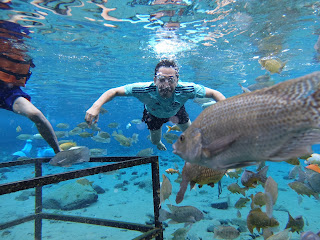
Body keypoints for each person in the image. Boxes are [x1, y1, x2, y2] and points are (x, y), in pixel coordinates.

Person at [85, 59, 226, 151]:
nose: (166, 84)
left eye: (171, 80)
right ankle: (159, 143)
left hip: (177, 112)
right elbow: (114, 91)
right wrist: (96, 106)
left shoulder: (186, 89)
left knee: (191, 134)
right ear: (154, 79)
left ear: (177, 80)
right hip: (153, 114)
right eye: (161, 79)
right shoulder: (144, 89)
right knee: (154, 141)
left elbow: (214, 93)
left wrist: (226, 109)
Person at [0, 19, 62, 155]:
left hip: (6, 87)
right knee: (36, 115)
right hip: (6, 88)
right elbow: (36, 115)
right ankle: (58, 151)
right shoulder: (9, 92)